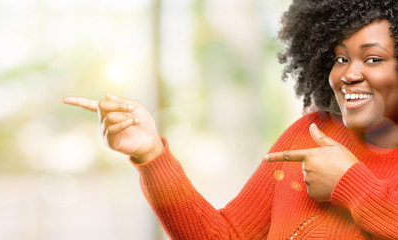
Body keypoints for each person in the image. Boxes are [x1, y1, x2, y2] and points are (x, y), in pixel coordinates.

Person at [63, 0, 398, 239]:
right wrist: (151, 156)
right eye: (340, 58)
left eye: (372, 58)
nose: (349, 73)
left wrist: (349, 184)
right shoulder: (309, 134)